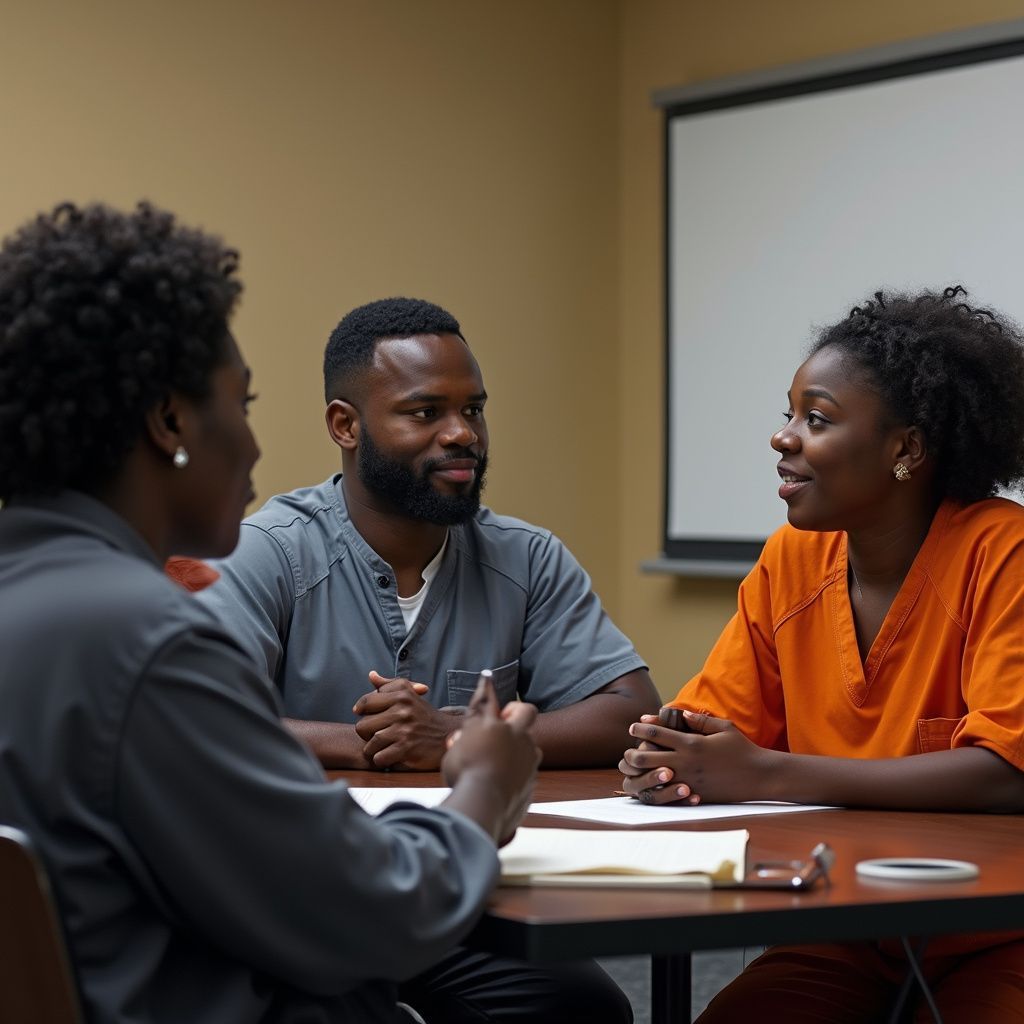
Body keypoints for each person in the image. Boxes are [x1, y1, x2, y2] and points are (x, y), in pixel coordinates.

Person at [0, 200, 595, 1024]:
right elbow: (378, 913)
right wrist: (482, 793)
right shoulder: (149, 641)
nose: (253, 448)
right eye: (241, 407)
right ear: (171, 421)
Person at [619, 286, 1024, 1022]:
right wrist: (667, 756)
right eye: (788, 415)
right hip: (842, 924)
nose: (784, 438)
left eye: (818, 419)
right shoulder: (791, 561)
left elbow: (1005, 774)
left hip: (997, 935)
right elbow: (713, 728)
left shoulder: (1004, 553)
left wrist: (763, 770)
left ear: (907, 449)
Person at [173, 296, 659, 771]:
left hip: (488, 843)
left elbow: (627, 711)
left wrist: (453, 736)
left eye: (473, 410)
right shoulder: (266, 552)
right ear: (345, 425)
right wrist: (373, 743)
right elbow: (193, 716)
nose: (463, 434)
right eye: (426, 412)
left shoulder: (527, 559)